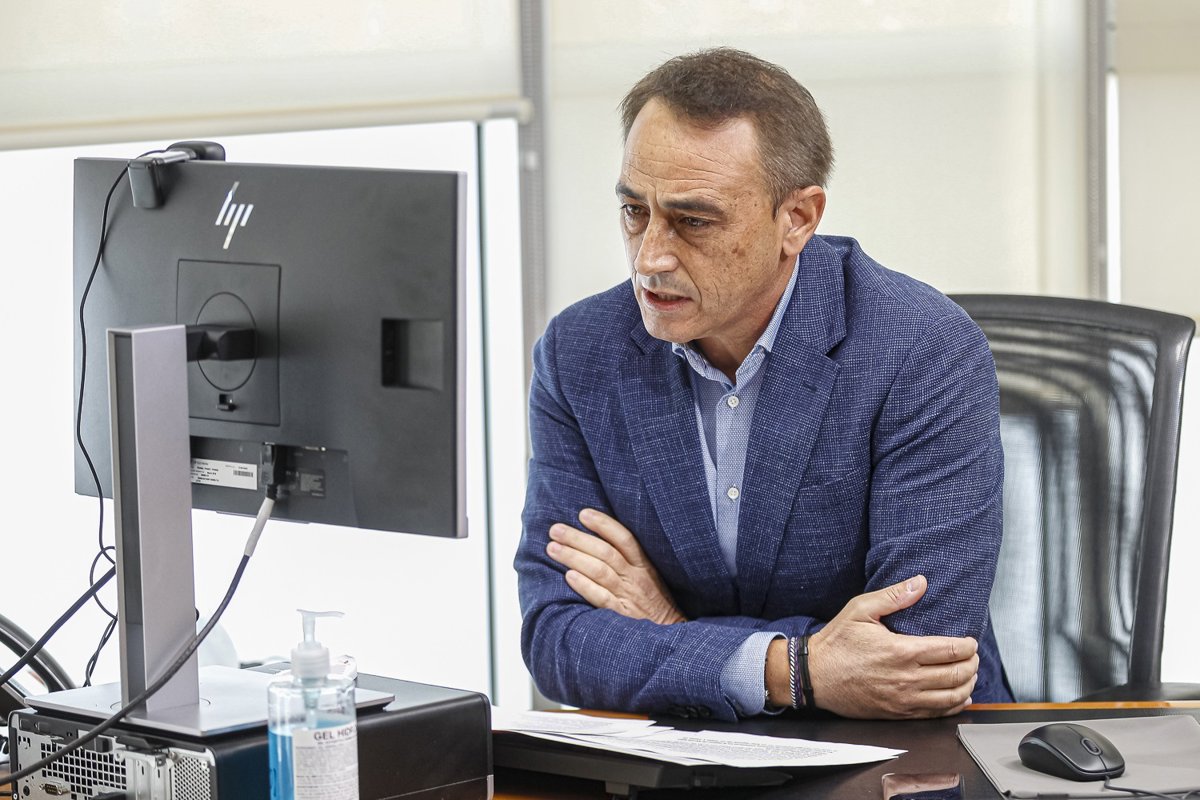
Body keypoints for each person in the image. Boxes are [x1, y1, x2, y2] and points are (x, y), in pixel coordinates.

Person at [515, 47, 1011, 722]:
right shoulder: (582, 352)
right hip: (681, 758)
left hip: (908, 755)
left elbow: (914, 655)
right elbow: (556, 639)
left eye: (694, 221)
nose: (650, 256)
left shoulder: (922, 350)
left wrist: (665, 625)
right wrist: (793, 668)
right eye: (634, 211)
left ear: (797, 218)